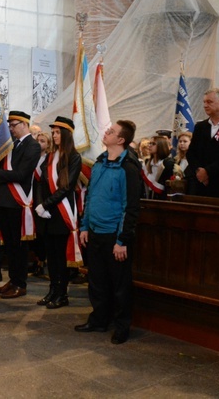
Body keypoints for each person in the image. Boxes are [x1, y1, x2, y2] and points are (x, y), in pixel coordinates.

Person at [75, 120, 141, 345]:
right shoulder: (100, 163)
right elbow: (90, 197)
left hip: (115, 235)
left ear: (121, 140)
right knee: (97, 281)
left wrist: (122, 240)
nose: (106, 132)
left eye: (111, 131)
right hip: (94, 231)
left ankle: (122, 326)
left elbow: (130, 207)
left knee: (120, 285)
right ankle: (99, 319)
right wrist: (84, 226)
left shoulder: (128, 167)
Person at [0, 111, 41, 299]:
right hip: (5, 201)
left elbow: (21, 174)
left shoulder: (32, 146)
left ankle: (20, 283)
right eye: (9, 125)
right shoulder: (12, 145)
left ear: (24, 124)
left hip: (18, 203)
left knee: (18, 246)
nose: (10, 128)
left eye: (13, 124)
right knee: (9, 245)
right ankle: (13, 279)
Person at [35, 117, 81, 309]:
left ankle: (62, 294)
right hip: (47, 213)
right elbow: (40, 183)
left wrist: (45, 205)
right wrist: (39, 204)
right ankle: (52, 290)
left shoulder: (73, 157)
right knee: (51, 257)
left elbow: (66, 187)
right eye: (52, 132)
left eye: (57, 132)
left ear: (66, 134)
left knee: (61, 257)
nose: (54, 136)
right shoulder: (49, 157)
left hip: (61, 212)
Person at [185, 88, 219, 198]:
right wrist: (199, 171)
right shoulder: (200, 127)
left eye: (209, 102)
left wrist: (208, 171)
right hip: (200, 184)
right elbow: (191, 153)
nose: (205, 105)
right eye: (204, 102)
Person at [30, 131, 53, 277]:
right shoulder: (31, 159)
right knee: (34, 234)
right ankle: (37, 260)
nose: (39, 143)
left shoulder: (49, 160)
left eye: (43, 141)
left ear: (48, 144)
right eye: (38, 140)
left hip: (42, 200)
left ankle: (43, 261)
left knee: (42, 232)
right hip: (29, 198)